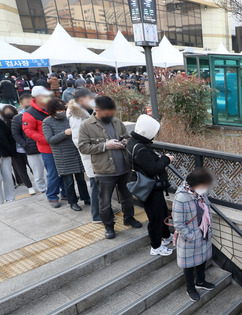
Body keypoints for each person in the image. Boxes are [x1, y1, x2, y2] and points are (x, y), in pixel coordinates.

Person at [77, 95, 141, 238]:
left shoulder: (117, 122)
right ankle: (109, 226)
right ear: (97, 110)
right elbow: (83, 147)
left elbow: (128, 138)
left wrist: (124, 143)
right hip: (104, 170)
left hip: (123, 167)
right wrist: (105, 145)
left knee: (127, 196)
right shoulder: (86, 125)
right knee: (105, 201)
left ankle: (129, 218)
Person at [126, 114, 174, 256]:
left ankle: (165, 237)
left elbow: (146, 163)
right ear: (148, 132)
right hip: (150, 187)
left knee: (162, 212)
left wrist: (155, 159)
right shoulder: (140, 148)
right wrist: (166, 159)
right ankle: (156, 246)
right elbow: (153, 169)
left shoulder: (133, 142)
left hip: (148, 185)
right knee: (156, 216)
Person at [172, 167, 215, 301]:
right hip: (190, 237)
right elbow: (178, 224)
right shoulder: (181, 197)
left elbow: (207, 209)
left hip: (203, 232)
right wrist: (191, 236)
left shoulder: (201, 193)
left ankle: (201, 281)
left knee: (202, 259)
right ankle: (190, 288)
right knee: (189, 265)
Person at [42, 98, 88, 211]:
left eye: (63, 109)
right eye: (59, 110)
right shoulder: (47, 122)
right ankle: (73, 202)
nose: (62, 112)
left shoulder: (70, 118)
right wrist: (65, 133)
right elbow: (50, 140)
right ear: (52, 111)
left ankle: (86, 198)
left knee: (81, 179)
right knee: (69, 181)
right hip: (62, 156)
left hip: (75, 152)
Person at [24, 86, 64, 208]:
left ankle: (66, 192)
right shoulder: (30, 113)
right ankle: (52, 196)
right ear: (35, 97)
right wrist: (47, 140)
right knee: (53, 173)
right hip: (47, 148)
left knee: (64, 171)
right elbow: (29, 131)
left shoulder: (52, 106)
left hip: (61, 144)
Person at [68, 88, 102, 222]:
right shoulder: (77, 117)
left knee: (98, 185)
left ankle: (100, 212)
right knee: (95, 185)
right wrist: (101, 146)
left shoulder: (86, 113)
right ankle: (97, 216)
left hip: (96, 155)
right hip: (92, 157)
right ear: (82, 100)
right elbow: (79, 142)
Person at [12, 93, 45, 194]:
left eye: (31, 101)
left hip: (46, 147)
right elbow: (16, 134)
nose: (30, 103)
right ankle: (43, 190)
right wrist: (25, 144)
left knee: (52, 171)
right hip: (32, 149)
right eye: (26, 101)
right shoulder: (18, 118)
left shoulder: (42, 113)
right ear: (21, 104)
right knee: (37, 173)